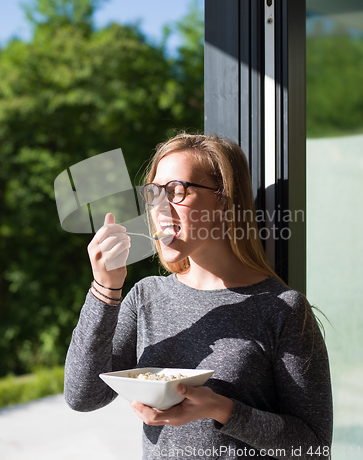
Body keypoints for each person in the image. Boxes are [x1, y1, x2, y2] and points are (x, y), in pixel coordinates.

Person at [64, 133, 333, 459]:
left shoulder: (283, 310)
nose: (160, 207)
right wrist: (105, 289)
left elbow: (315, 447)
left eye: (177, 191)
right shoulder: (146, 297)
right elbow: (82, 396)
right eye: (153, 194)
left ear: (223, 200)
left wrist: (222, 410)